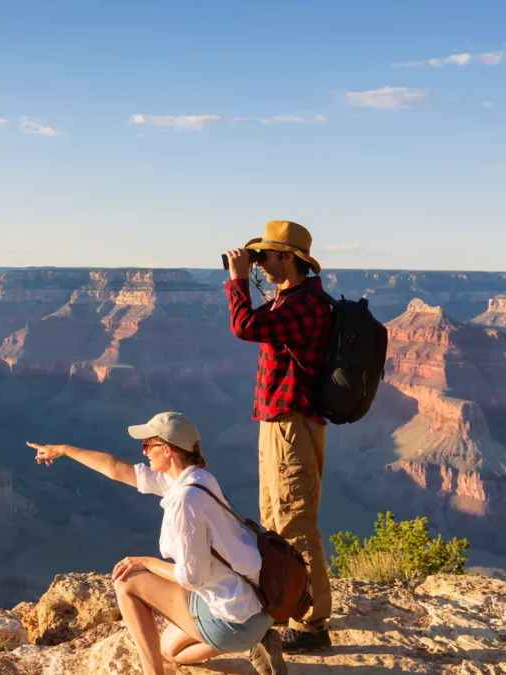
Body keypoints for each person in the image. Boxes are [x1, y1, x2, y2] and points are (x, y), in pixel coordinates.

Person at [26, 412, 287, 675]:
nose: (144, 452)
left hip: (233, 619)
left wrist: (146, 563)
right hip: (254, 607)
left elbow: (191, 578)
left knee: (126, 581)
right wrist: (64, 450)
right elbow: (117, 469)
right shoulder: (197, 479)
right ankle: (257, 642)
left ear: (168, 450)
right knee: (170, 651)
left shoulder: (186, 501)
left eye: (148, 446)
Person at [223, 220, 334, 653]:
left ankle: (313, 623)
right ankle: (287, 604)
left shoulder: (305, 303)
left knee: (296, 522)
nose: (260, 264)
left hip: (292, 425)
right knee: (274, 520)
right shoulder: (290, 299)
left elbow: (245, 328)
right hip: (277, 423)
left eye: (265, 256)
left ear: (290, 258)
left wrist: (237, 283)